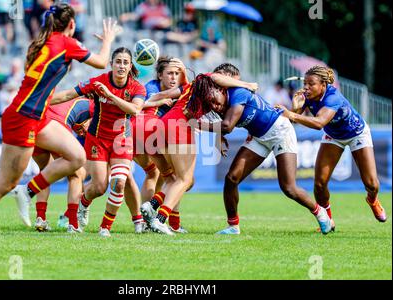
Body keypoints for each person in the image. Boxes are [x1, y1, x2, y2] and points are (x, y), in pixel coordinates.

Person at [0, 3, 119, 258]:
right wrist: (108, 40)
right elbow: (102, 62)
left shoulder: (41, 43)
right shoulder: (65, 43)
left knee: (77, 157)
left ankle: (28, 190)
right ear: (71, 25)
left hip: (35, 116)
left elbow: (47, 92)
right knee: (3, 183)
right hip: (23, 119)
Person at [199, 63, 332, 235]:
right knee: (231, 178)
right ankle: (233, 226)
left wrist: (197, 125)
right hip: (258, 137)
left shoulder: (238, 92)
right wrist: (219, 136)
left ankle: (320, 212)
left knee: (289, 188)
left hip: (280, 130)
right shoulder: (218, 96)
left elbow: (227, 126)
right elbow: (224, 123)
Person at [140, 72, 258, 235]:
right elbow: (216, 78)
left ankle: (152, 204)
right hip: (180, 126)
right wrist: (247, 85)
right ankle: (160, 220)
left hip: (164, 123)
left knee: (178, 179)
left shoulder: (195, 86)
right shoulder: (210, 81)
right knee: (184, 180)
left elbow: (164, 95)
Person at [50, 47, 147, 237]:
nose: (121, 66)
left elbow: (135, 110)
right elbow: (68, 95)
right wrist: (40, 101)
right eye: (118, 61)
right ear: (111, 64)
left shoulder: (137, 87)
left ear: (130, 66)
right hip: (97, 139)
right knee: (99, 187)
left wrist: (110, 96)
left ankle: (105, 227)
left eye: (125, 62)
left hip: (122, 140)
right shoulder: (97, 82)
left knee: (119, 182)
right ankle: (84, 204)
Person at [277, 65, 387, 230]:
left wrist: (291, 113)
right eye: (305, 83)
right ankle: (327, 220)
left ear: (323, 85)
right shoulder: (307, 96)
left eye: (311, 84)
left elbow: (319, 122)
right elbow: (293, 119)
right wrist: (295, 107)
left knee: (372, 184)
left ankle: (372, 200)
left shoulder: (333, 97)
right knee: (320, 184)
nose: (306, 87)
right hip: (333, 136)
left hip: (356, 133)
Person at [128, 56, 190, 233]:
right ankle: (171, 222)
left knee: (155, 174)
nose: (173, 77)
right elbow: (139, 106)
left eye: (177, 74)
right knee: (181, 179)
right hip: (145, 130)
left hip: (141, 133)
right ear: (160, 76)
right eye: (169, 73)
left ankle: (145, 221)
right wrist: (159, 101)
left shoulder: (177, 91)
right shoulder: (151, 87)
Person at [32, 97, 93, 233]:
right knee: (76, 175)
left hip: (36, 126)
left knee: (45, 172)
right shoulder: (91, 104)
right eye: (80, 129)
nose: (82, 132)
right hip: (55, 126)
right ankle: (72, 223)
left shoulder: (69, 101)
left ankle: (40, 218)